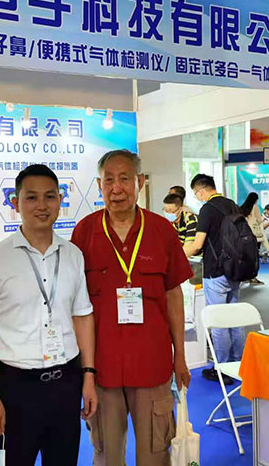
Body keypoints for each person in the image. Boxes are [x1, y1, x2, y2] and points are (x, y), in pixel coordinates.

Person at [0, 164, 97, 466]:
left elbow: (83, 316)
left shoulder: (73, 255)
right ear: (16, 203)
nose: (42, 205)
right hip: (16, 387)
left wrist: (89, 376)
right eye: (31, 197)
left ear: (60, 201)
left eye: (50, 196)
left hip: (66, 382)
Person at [71, 150, 192, 466]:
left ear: (139, 182)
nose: (116, 188)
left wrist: (180, 354)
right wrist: (84, 369)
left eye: (124, 179)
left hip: (153, 365)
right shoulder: (84, 232)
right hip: (102, 368)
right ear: (99, 185)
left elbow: (173, 295)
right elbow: (75, 306)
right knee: (107, 455)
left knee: (155, 454)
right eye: (108, 180)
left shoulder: (162, 230)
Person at [184, 174, 243, 385]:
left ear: (200, 191)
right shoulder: (232, 205)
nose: (197, 197)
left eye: (196, 194)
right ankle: (238, 363)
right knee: (236, 319)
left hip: (216, 271)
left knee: (218, 321)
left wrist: (175, 255)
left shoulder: (208, 209)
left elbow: (197, 244)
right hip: (235, 269)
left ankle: (221, 368)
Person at [240, 192, 269, 285]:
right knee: (254, 257)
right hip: (254, 236)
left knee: (245, 257)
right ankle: (252, 277)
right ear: (255, 199)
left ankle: (244, 276)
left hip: (244, 235)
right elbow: (259, 220)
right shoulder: (254, 207)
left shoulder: (242, 208)